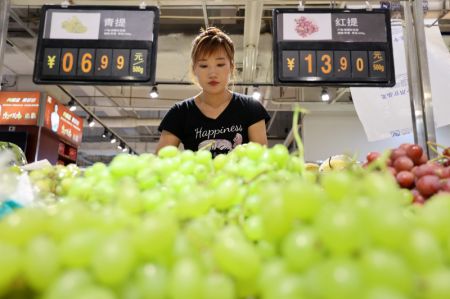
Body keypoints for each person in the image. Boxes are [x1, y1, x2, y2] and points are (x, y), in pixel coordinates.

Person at [156, 27, 270, 157]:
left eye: (220, 65)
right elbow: (160, 161)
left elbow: (261, 161)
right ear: (194, 69)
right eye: (204, 66)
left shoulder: (251, 108)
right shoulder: (180, 112)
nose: (212, 73)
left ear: (231, 67)